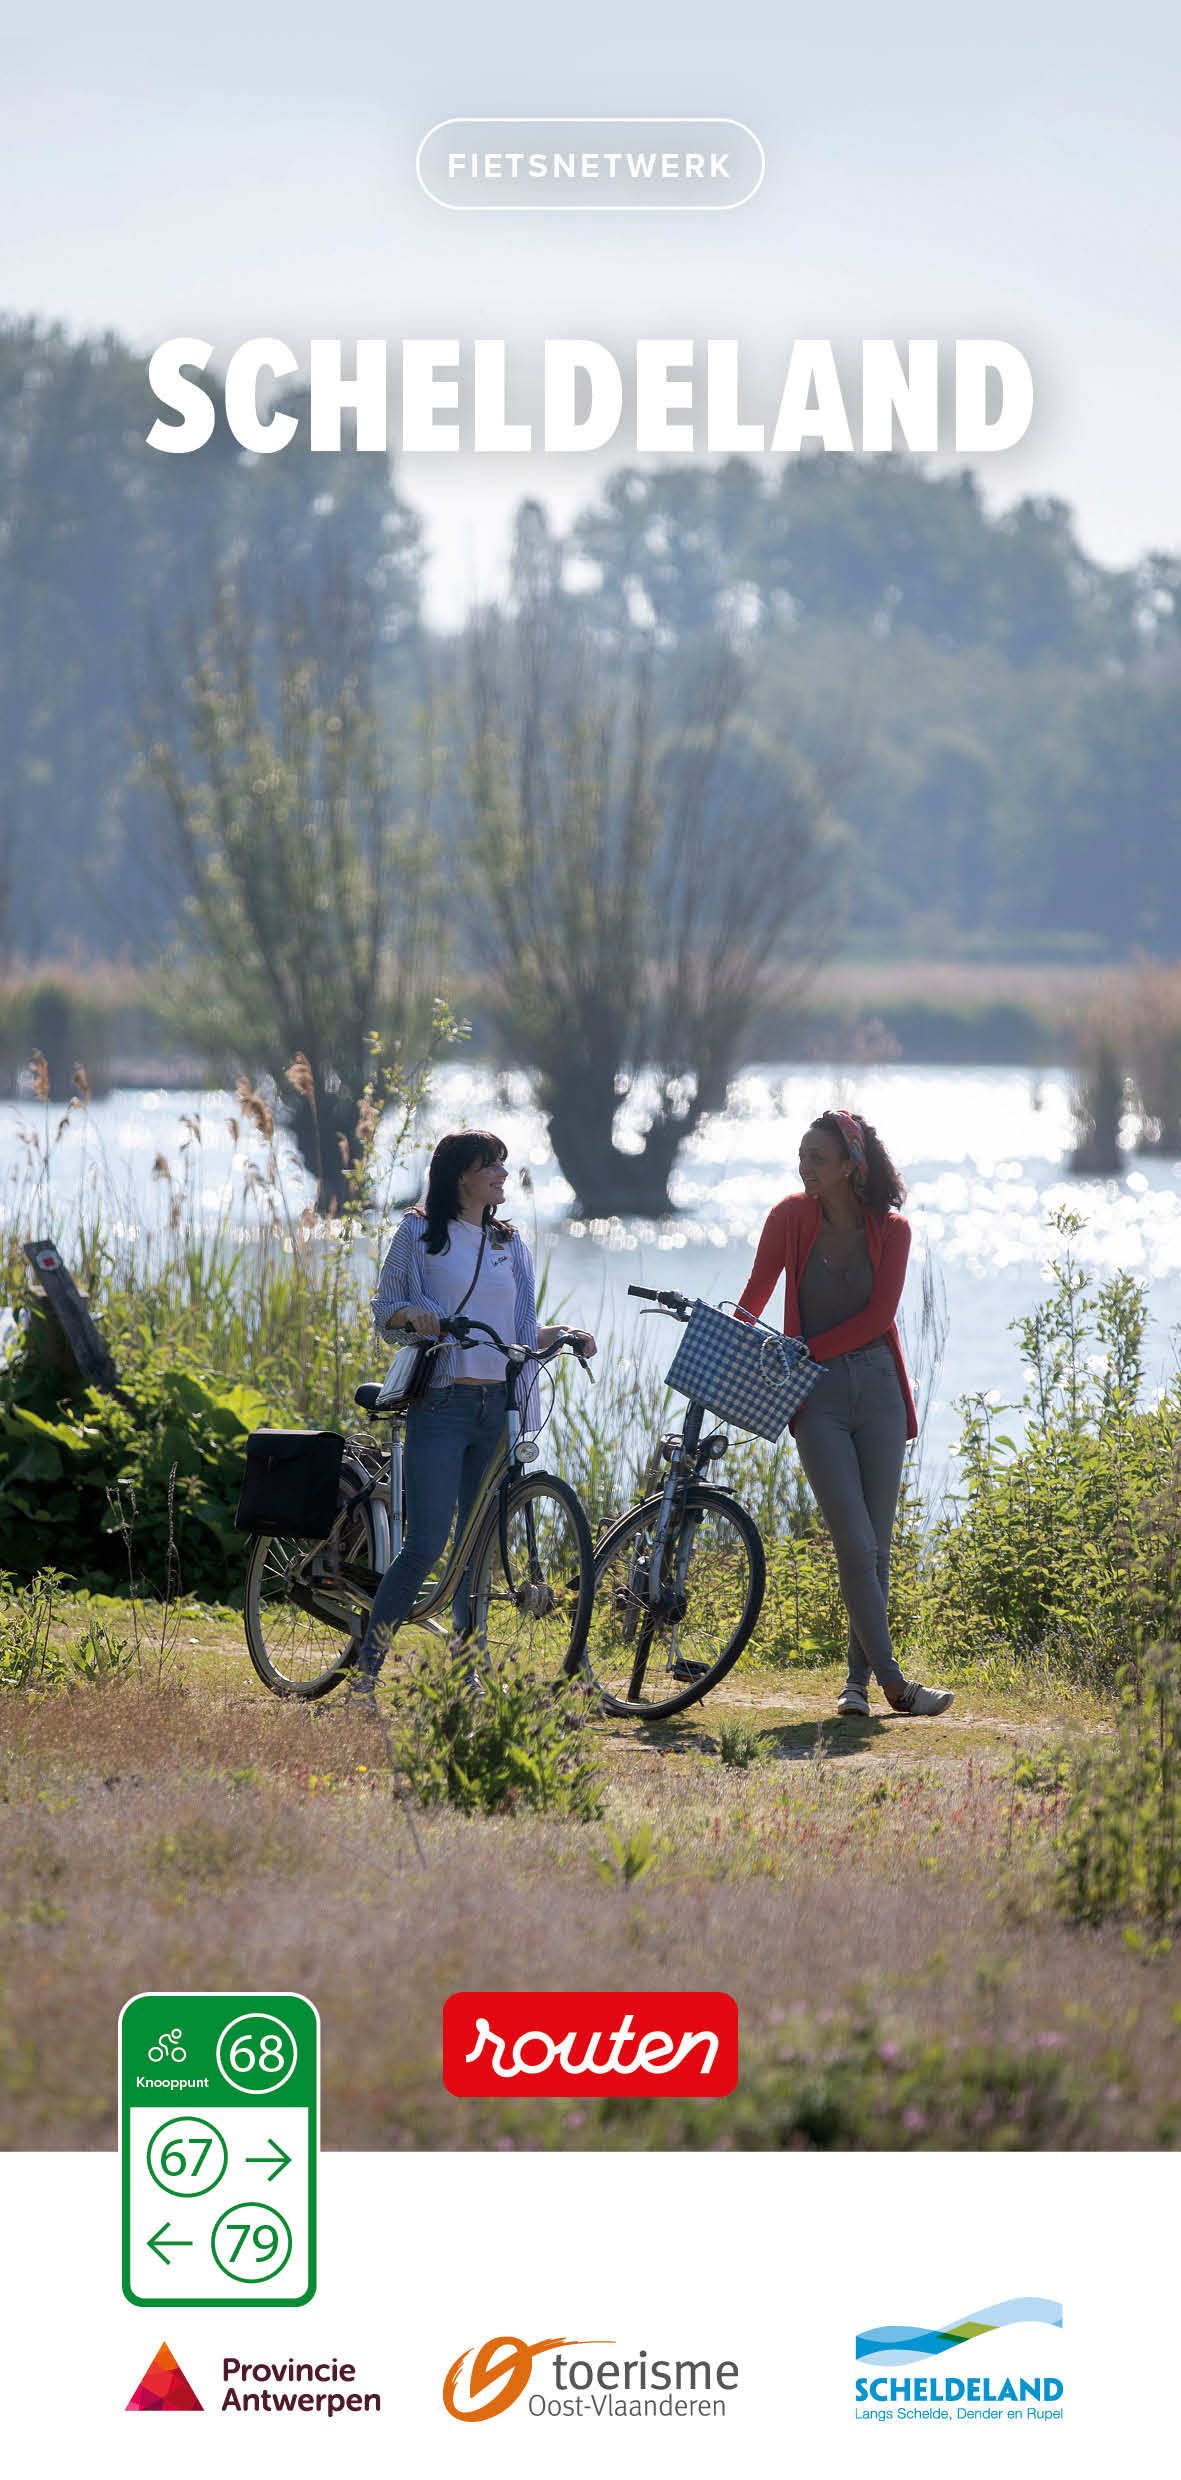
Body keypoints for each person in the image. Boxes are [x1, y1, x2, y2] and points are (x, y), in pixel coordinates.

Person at [347, 1130, 595, 1709]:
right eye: (493, 1167)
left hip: (497, 1409)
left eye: (505, 1167)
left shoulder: (512, 1244)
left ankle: (467, 1676)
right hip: (443, 1402)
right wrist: (418, 1315)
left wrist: (563, 1334)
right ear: (462, 1176)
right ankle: (365, 1678)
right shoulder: (419, 1233)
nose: (503, 1176)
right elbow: (386, 1314)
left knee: (478, 1549)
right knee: (427, 1544)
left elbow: (518, 1331)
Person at [737, 1108, 953, 1720]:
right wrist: (725, 1343)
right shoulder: (789, 1218)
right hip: (817, 1397)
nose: (804, 1167)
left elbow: (879, 1317)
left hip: (880, 1389)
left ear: (850, 1167)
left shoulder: (893, 1231)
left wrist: (806, 1347)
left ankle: (855, 1687)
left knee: (876, 1547)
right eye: (801, 1155)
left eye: (817, 1158)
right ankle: (897, 1686)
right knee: (854, 1541)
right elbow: (754, 1296)